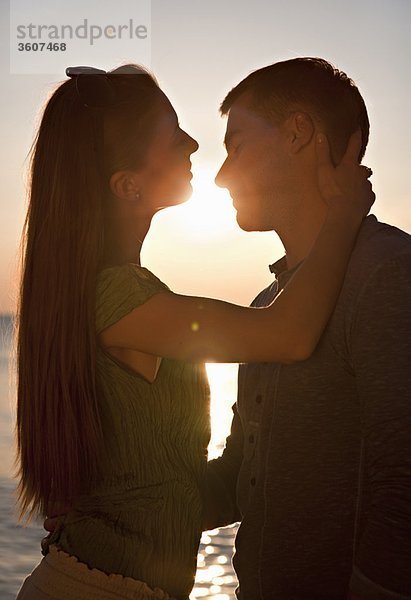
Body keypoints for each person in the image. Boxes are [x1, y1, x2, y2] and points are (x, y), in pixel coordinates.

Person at [16, 62, 373, 600]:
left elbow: (176, 493)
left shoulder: (122, 293)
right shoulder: (118, 297)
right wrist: (346, 212)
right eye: (171, 135)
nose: (192, 142)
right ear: (127, 185)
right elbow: (289, 334)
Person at [205, 57, 411, 599]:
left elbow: (405, 481)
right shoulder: (270, 306)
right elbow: (239, 477)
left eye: (236, 145)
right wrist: (108, 506)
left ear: (297, 133)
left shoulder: (388, 273)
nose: (223, 174)